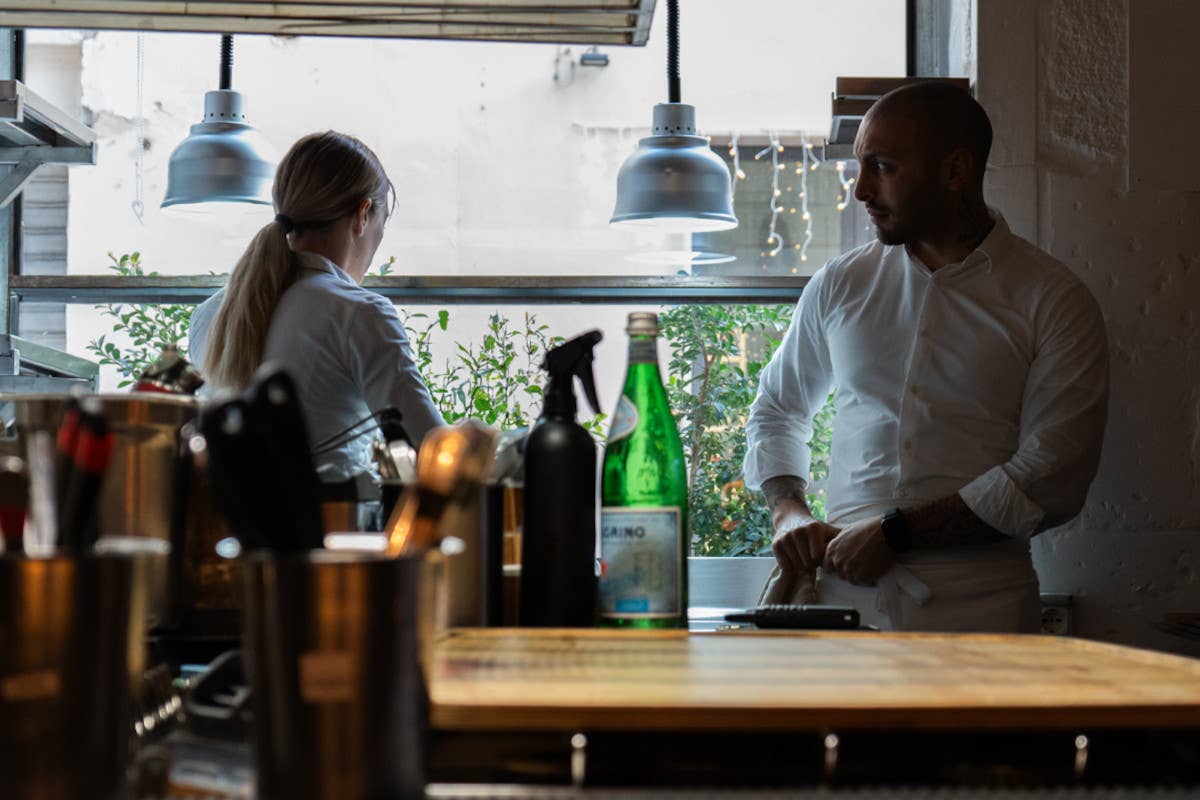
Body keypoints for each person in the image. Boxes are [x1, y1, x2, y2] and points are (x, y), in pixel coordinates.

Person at [743, 82, 1109, 632]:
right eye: (861, 167)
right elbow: (777, 408)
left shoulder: (1053, 300)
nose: (862, 190)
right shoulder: (841, 284)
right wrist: (788, 509)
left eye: (883, 167)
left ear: (956, 171)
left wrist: (897, 532)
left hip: (984, 616)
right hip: (844, 607)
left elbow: (1053, 473)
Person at [189, 131, 444, 480]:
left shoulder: (212, 315)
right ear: (363, 215)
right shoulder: (360, 313)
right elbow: (437, 451)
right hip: (331, 530)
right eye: (379, 229)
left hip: (224, 533)